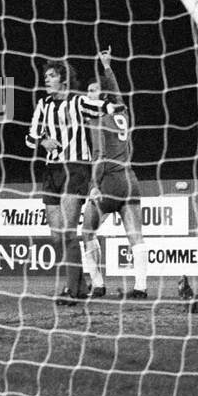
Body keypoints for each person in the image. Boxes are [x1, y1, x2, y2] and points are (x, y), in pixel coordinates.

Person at [76, 47, 149, 301]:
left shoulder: (96, 119)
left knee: (87, 230)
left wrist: (94, 184)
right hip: (131, 180)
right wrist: (107, 67)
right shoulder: (122, 111)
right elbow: (117, 92)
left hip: (109, 182)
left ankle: (97, 284)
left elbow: (99, 155)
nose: (90, 96)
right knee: (136, 236)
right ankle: (140, 288)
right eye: (89, 92)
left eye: (94, 91)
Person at [25, 59, 94, 303]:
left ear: (64, 79)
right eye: (46, 76)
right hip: (51, 171)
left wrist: (114, 106)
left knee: (67, 231)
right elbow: (30, 137)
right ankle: (82, 285)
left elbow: (100, 108)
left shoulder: (78, 101)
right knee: (57, 236)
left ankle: (71, 291)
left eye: (52, 75)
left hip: (75, 169)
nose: (46, 79)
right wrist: (43, 140)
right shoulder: (43, 104)